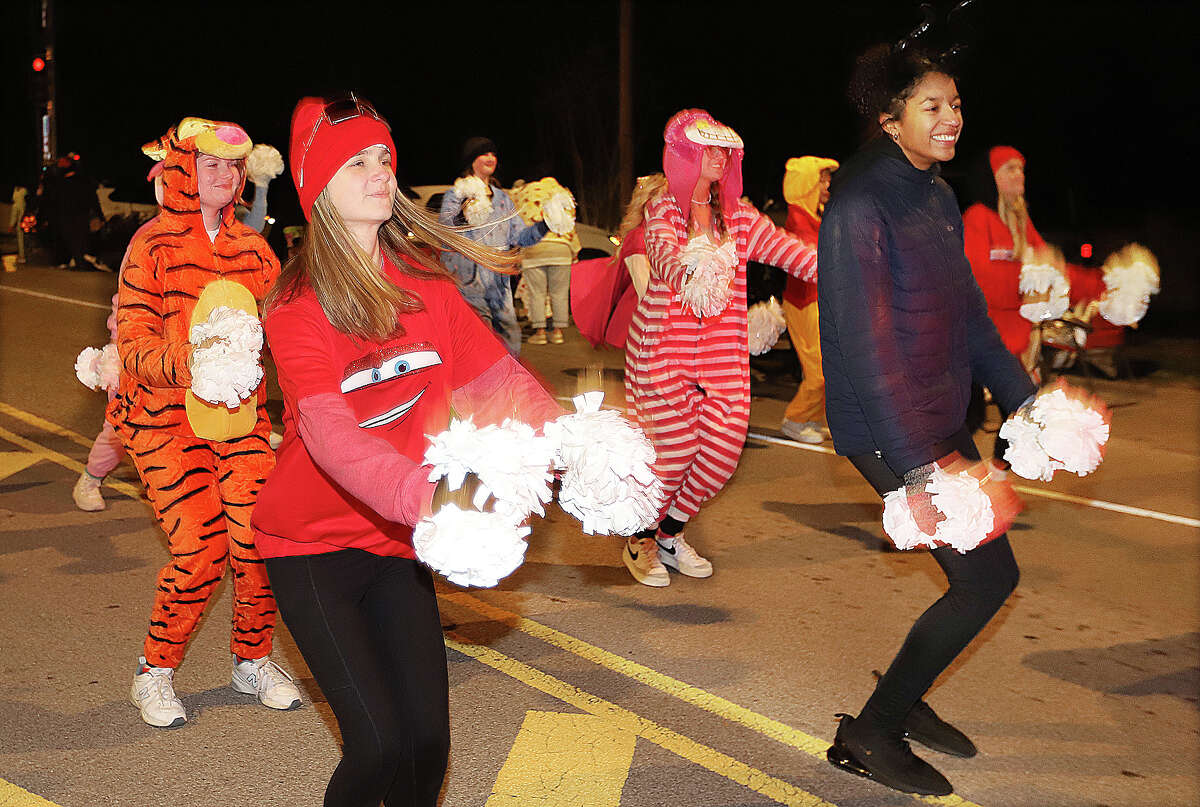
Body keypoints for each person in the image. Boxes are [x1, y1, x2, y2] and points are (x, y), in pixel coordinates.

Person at [254, 95, 563, 807]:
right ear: (318, 187)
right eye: (355, 162)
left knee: (427, 745)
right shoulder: (298, 304)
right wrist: (431, 499)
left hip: (396, 542)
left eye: (384, 158)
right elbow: (332, 436)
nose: (378, 172)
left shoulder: (427, 285)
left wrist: (571, 443)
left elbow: (500, 382)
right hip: (311, 549)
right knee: (378, 745)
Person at [818, 45, 1036, 796]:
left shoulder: (936, 194)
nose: (953, 119)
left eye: (956, 104)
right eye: (932, 106)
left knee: (987, 572)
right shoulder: (858, 204)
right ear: (889, 118)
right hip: (888, 427)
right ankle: (872, 729)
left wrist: (1027, 400)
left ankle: (902, 701)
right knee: (982, 578)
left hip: (936, 416)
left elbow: (972, 318)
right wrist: (919, 470)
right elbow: (866, 345)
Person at [109, 117, 301, 728]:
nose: (222, 175)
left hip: (239, 422)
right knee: (201, 548)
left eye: (232, 166)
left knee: (261, 541)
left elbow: (290, 333)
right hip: (163, 421)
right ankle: (155, 672)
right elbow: (133, 343)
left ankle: (253, 658)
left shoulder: (254, 249)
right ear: (183, 171)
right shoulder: (153, 245)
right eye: (209, 164)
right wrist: (195, 364)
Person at [623, 109, 817, 587]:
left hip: (721, 355)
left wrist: (859, 266)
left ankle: (670, 533)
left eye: (723, 149)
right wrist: (692, 268)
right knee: (675, 449)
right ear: (684, 155)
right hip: (663, 350)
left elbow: (794, 254)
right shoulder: (664, 210)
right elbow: (666, 257)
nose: (718, 156)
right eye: (706, 148)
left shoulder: (741, 217)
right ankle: (640, 536)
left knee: (721, 454)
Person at [72, 158, 166, 512]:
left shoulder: (212, 231)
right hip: (144, 345)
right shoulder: (151, 235)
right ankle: (90, 479)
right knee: (123, 421)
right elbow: (125, 295)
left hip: (186, 351)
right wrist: (117, 347)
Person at [438, 137, 550, 354]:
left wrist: (546, 225)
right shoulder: (456, 194)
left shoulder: (503, 198)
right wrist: (462, 214)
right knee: (477, 338)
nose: (491, 158)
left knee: (510, 336)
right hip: (469, 280)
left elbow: (520, 237)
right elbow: (446, 229)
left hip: (498, 281)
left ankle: (509, 382)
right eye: (484, 153)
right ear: (471, 160)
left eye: (493, 154)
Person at [779, 156, 838, 444]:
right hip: (804, 303)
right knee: (819, 371)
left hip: (819, 300)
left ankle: (811, 417)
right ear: (808, 183)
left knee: (828, 366)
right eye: (823, 178)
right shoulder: (798, 218)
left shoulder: (816, 214)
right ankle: (795, 419)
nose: (827, 184)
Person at [570, 173, 665, 350]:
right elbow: (643, 288)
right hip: (646, 325)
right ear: (647, 203)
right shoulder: (639, 238)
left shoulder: (657, 235)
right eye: (664, 201)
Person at [510, 177, 580, 345]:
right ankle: (557, 333)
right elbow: (571, 227)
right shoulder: (563, 194)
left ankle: (540, 333)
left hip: (535, 248)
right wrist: (575, 252)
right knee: (559, 293)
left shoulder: (527, 193)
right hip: (561, 249)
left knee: (537, 293)